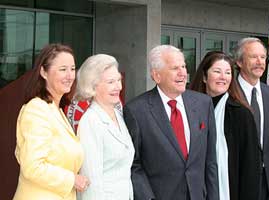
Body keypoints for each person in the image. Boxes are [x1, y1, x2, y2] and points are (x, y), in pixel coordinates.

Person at [123, 45, 219, 200]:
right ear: (157, 75)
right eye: (175, 68)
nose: (183, 73)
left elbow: (211, 161)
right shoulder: (136, 111)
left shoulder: (203, 103)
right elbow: (133, 164)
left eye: (183, 66)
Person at [13, 43, 90, 200]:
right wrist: (72, 179)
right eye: (63, 69)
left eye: (73, 69)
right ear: (43, 72)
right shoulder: (36, 109)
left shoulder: (57, 110)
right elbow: (33, 167)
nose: (70, 75)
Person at [190, 51, 261, 200]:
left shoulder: (241, 114)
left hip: (230, 191)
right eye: (217, 71)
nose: (223, 77)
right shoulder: (188, 108)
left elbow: (251, 167)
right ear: (204, 76)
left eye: (228, 73)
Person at [75, 54, 135, 200]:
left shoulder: (118, 114)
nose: (118, 87)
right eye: (110, 82)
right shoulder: (90, 121)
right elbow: (90, 180)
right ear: (93, 86)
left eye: (119, 80)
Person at [235, 37, 269, 200]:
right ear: (239, 62)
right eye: (253, 57)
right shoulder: (228, 94)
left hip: (266, 180)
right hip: (238, 180)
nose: (259, 62)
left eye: (263, 57)